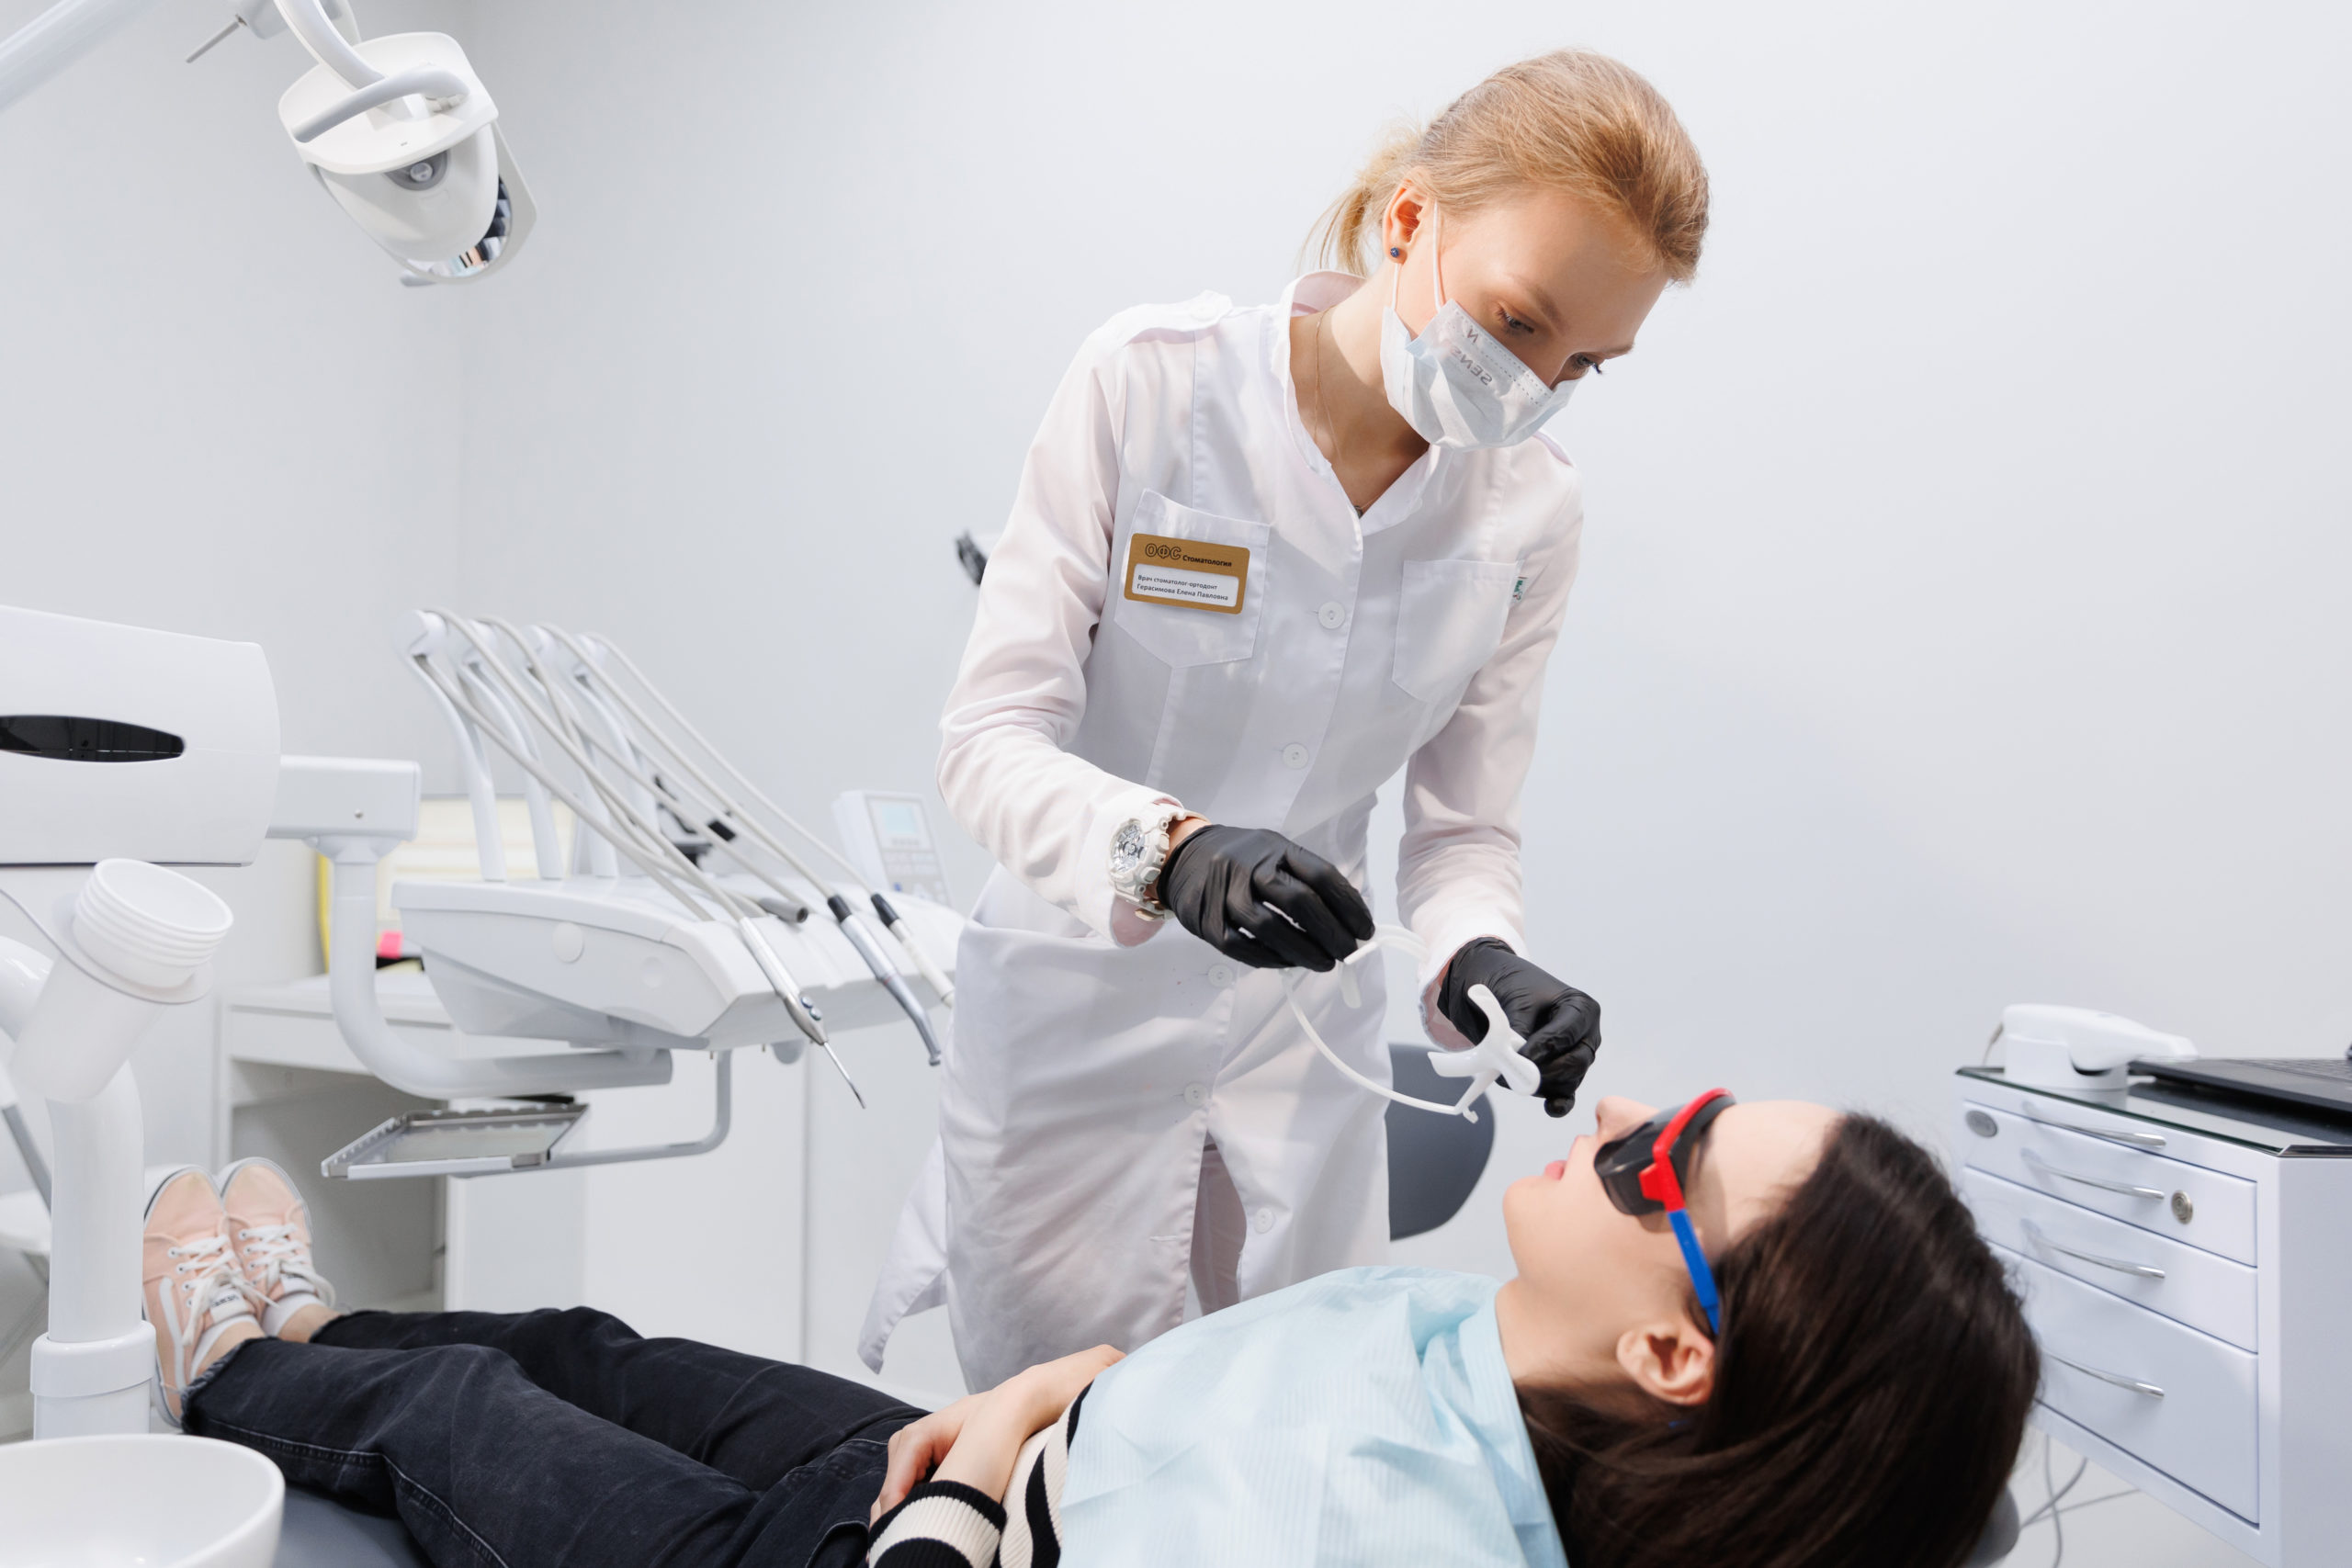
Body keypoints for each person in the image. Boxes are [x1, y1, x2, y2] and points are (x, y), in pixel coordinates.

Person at [867, 48, 1714, 1390]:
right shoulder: (1153, 388)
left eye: (1586, 363)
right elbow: (989, 742)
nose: (1534, 381)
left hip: (1300, 1045)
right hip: (1074, 1030)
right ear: (1410, 221)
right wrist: (1171, 852)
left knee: (1292, 1421)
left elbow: (1463, 834)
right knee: (1055, 1440)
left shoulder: (1531, 513)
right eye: (1517, 321)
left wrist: (1484, 958)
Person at [153, 1096, 2037, 1568]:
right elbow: (1246, 1396)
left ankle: (229, 1369)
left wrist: (970, 1483)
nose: (1625, 1113)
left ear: (1675, 1357)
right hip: (985, 1449)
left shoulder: (1365, 1536)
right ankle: (310, 1324)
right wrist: (1067, 1385)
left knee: (457, 1412)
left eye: (1672, 1157)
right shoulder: (1515, 1369)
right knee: (589, 1342)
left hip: (905, 1537)